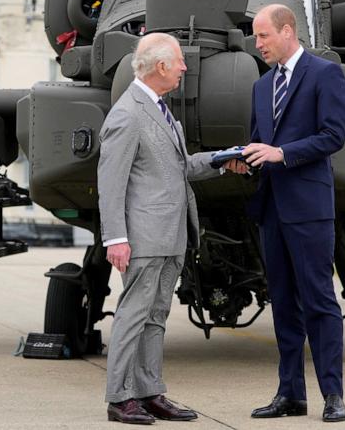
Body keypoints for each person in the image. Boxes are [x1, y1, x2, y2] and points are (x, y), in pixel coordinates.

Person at [98, 32, 236, 424]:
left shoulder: (159, 110)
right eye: (179, 62)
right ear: (161, 67)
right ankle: (119, 398)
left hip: (171, 236)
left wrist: (224, 159)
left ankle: (149, 391)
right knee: (133, 315)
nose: (184, 68)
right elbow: (111, 183)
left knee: (155, 316)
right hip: (143, 237)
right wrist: (116, 238)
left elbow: (181, 168)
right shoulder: (127, 114)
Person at [240, 4, 345, 422]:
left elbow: (333, 135)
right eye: (255, 36)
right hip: (272, 209)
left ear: (288, 31)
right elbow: (258, 141)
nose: (258, 43)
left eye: (263, 35)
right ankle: (290, 394)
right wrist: (244, 157)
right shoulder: (261, 86)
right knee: (283, 304)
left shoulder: (325, 74)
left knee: (319, 301)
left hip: (309, 208)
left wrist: (282, 153)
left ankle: (333, 395)